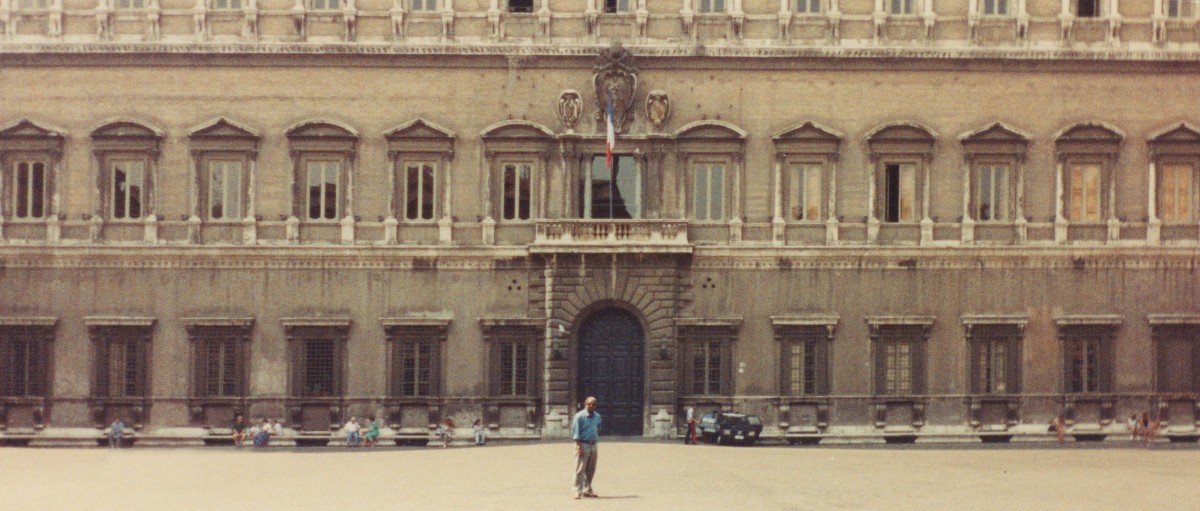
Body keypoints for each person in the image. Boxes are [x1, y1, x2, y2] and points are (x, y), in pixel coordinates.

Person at [571, 396, 602, 500]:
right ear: (585, 404)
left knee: (590, 469)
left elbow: (598, 428)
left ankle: (587, 490)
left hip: (594, 444)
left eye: (593, 404)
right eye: (589, 404)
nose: (591, 406)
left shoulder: (597, 416)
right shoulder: (579, 417)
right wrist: (578, 447)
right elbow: (575, 433)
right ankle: (577, 491)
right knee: (580, 469)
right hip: (582, 444)